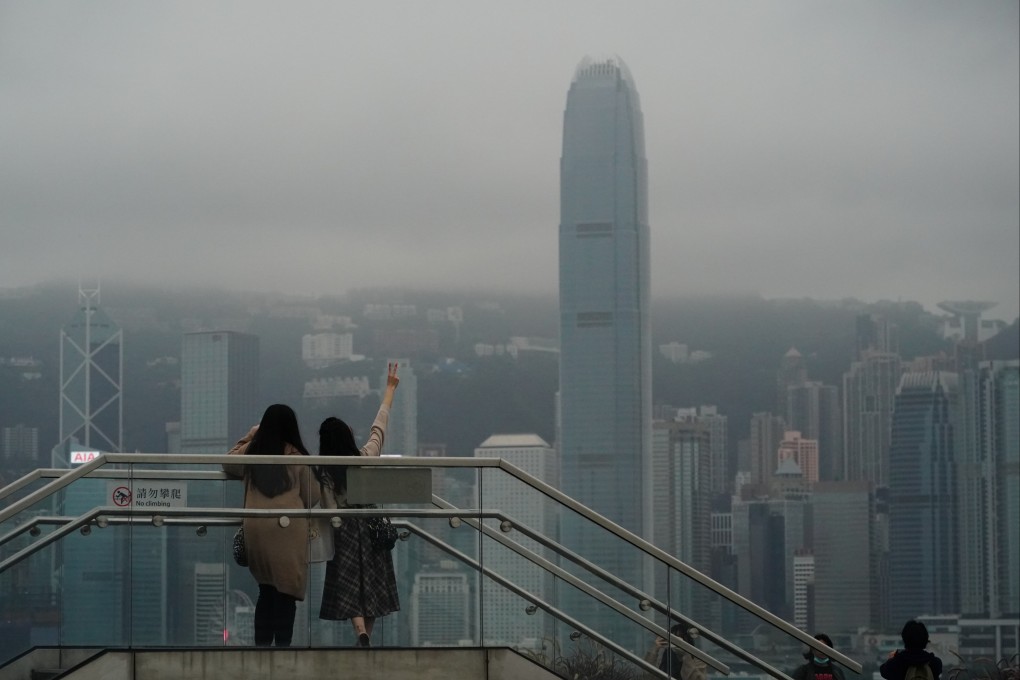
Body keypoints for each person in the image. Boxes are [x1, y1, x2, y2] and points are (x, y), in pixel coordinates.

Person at [315, 362, 401, 647]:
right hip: (371, 527)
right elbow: (380, 428)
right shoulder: (365, 457)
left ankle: (360, 631)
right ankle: (368, 637)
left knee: (350, 582)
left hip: (345, 531)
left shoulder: (324, 472)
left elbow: (328, 510)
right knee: (373, 585)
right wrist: (389, 389)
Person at [223, 403, 317, 647]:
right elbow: (313, 495)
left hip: (257, 529)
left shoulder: (253, 452)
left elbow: (227, 461)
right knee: (286, 592)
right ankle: (283, 649)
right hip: (288, 529)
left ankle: (262, 648)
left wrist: (253, 433)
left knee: (266, 589)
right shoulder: (296, 456)